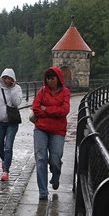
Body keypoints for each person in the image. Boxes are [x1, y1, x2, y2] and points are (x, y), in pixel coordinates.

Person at [31, 66, 71, 200]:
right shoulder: (42, 91)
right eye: (48, 78)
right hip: (41, 129)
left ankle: (55, 176)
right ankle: (43, 191)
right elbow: (36, 108)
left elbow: (65, 110)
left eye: (52, 78)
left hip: (58, 131)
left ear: (58, 78)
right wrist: (54, 111)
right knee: (41, 158)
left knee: (55, 158)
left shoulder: (65, 92)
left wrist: (46, 110)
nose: (50, 81)